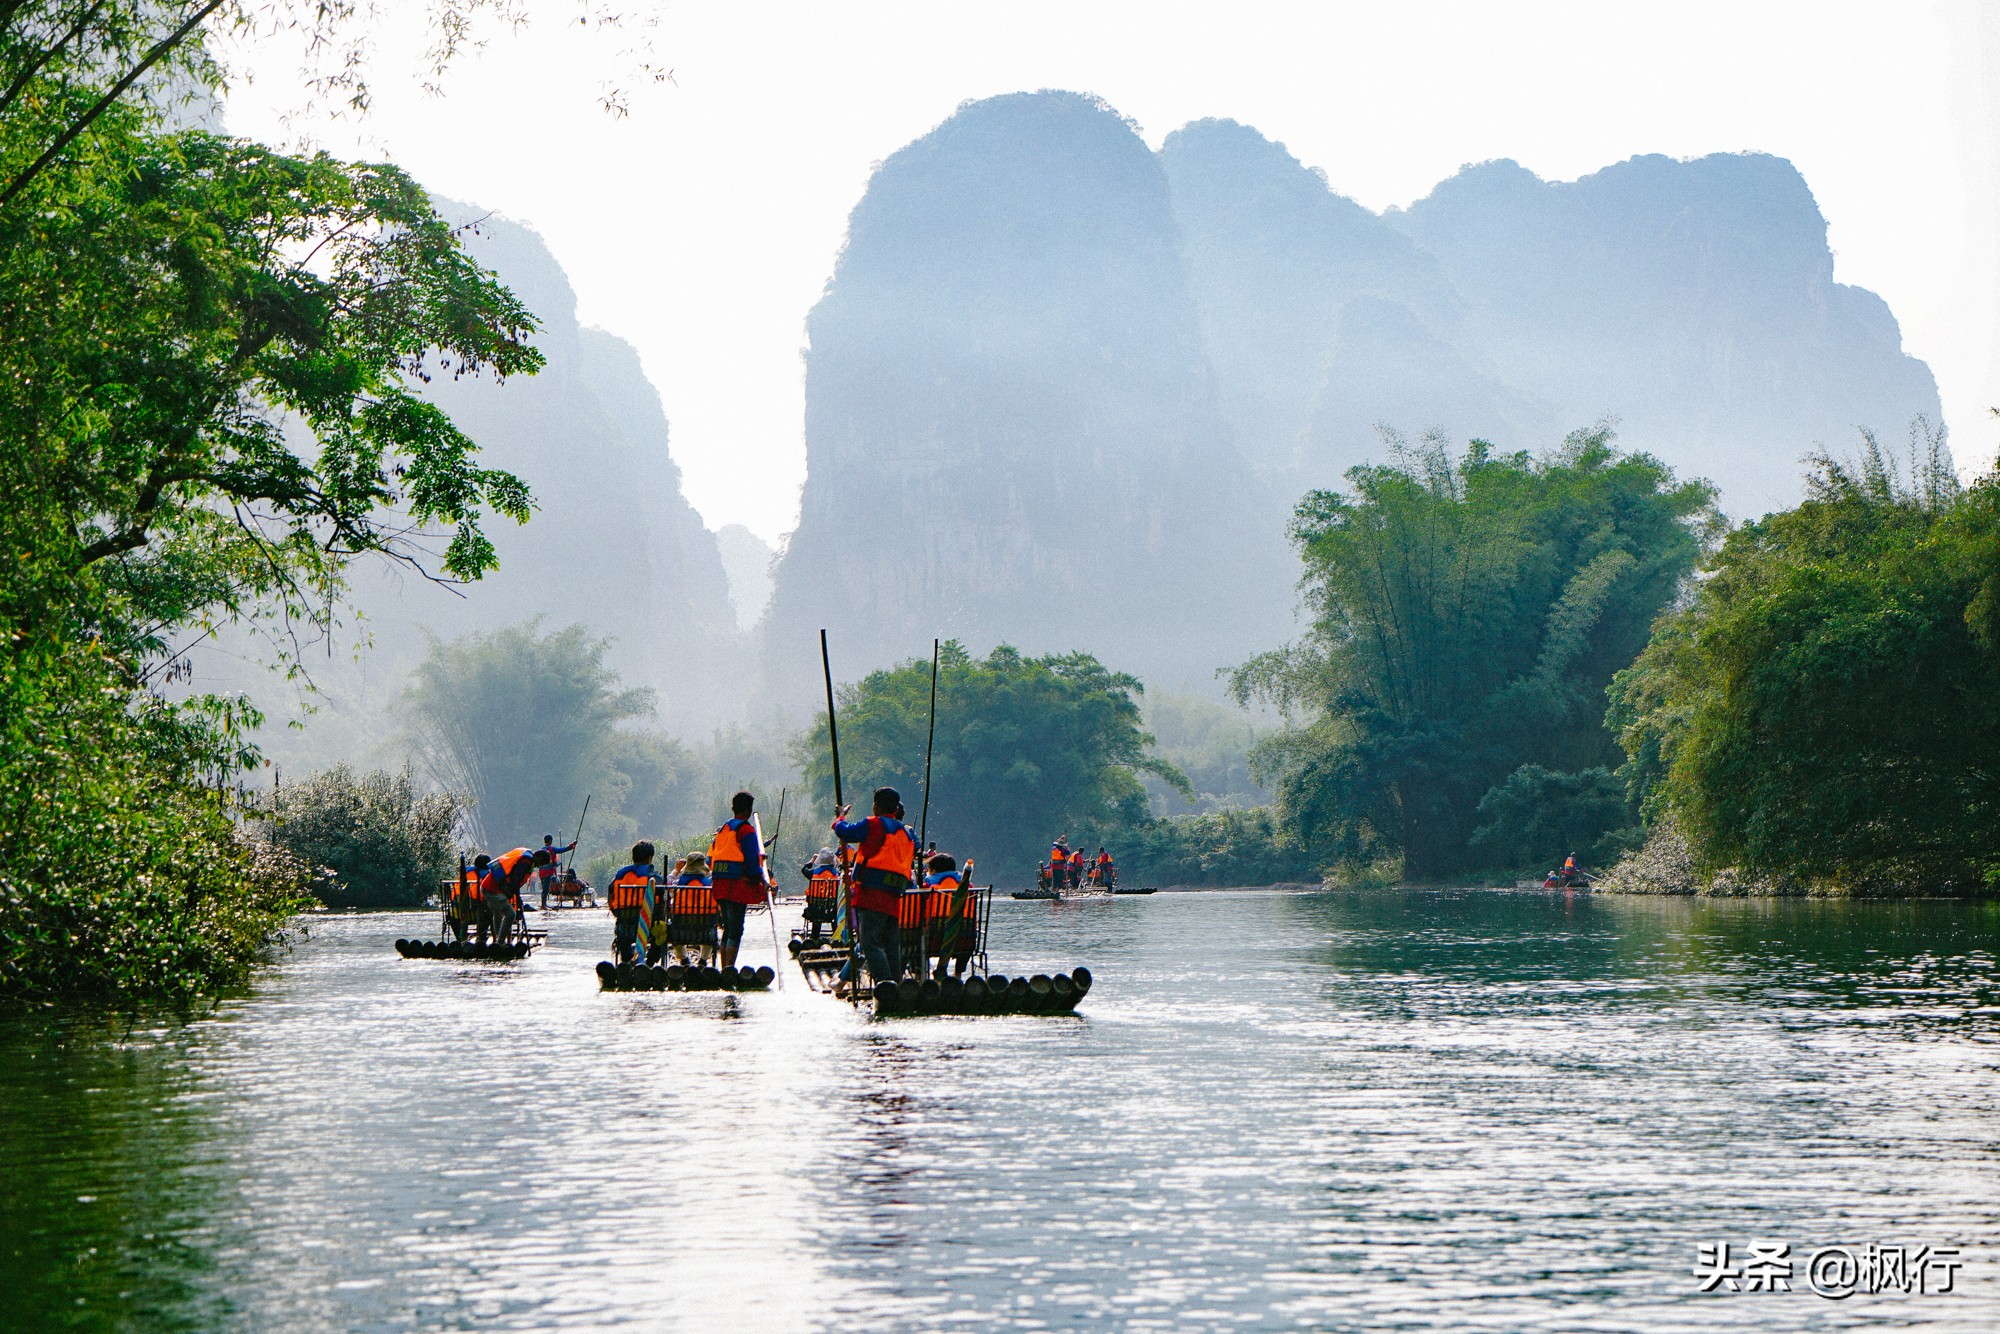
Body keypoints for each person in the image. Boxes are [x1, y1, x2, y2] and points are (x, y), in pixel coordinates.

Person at [831, 786, 916, 991]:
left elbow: (845, 832)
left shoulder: (874, 824)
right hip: (894, 895)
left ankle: (886, 985)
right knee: (890, 945)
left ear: (876, 806)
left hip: (871, 893)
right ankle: (896, 983)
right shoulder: (908, 833)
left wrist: (840, 817)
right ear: (896, 808)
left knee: (870, 944)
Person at [708, 791, 775, 970]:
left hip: (719, 884)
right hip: (736, 885)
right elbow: (753, 863)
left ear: (733, 808)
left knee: (728, 929)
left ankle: (725, 968)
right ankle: (729, 969)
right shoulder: (746, 830)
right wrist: (763, 880)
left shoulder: (723, 829)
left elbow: (710, 859)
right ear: (749, 809)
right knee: (736, 930)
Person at [481, 846, 550, 945]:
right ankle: (500, 943)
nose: (539, 867)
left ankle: (498, 941)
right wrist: (518, 899)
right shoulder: (525, 863)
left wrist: (515, 896)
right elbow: (515, 880)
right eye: (542, 864)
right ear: (539, 858)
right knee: (510, 914)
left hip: (488, 885)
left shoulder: (526, 857)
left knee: (498, 913)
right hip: (492, 888)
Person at [607, 841, 656, 965]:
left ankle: (626, 961)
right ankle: (649, 963)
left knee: (623, 937)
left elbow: (611, 893)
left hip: (624, 923)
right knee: (661, 933)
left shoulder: (620, 875)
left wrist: (616, 912)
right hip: (647, 926)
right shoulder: (652, 875)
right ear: (650, 858)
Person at [669, 852, 715, 966]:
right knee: (710, 930)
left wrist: (676, 870)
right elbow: (714, 877)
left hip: (681, 928)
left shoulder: (678, 884)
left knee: (672, 928)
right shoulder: (710, 884)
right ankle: (703, 961)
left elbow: (667, 881)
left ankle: (684, 960)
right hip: (705, 928)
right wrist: (708, 871)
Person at [801, 847, 840, 943]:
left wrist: (812, 859)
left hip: (815, 910)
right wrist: (839, 862)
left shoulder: (813, 873)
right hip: (833, 910)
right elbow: (845, 869)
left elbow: (804, 869)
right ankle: (836, 937)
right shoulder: (838, 874)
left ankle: (814, 937)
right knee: (834, 913)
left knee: (817, 916)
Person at [537, 833, 578, 909]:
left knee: (544, 889)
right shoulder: (551, 849)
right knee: (545, 889)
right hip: (547, 872)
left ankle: (544, 904)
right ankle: (543, 905)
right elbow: (562, 849)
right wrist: (572, 845)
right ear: (550, 841)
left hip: (541, 872)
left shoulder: (541, 850)